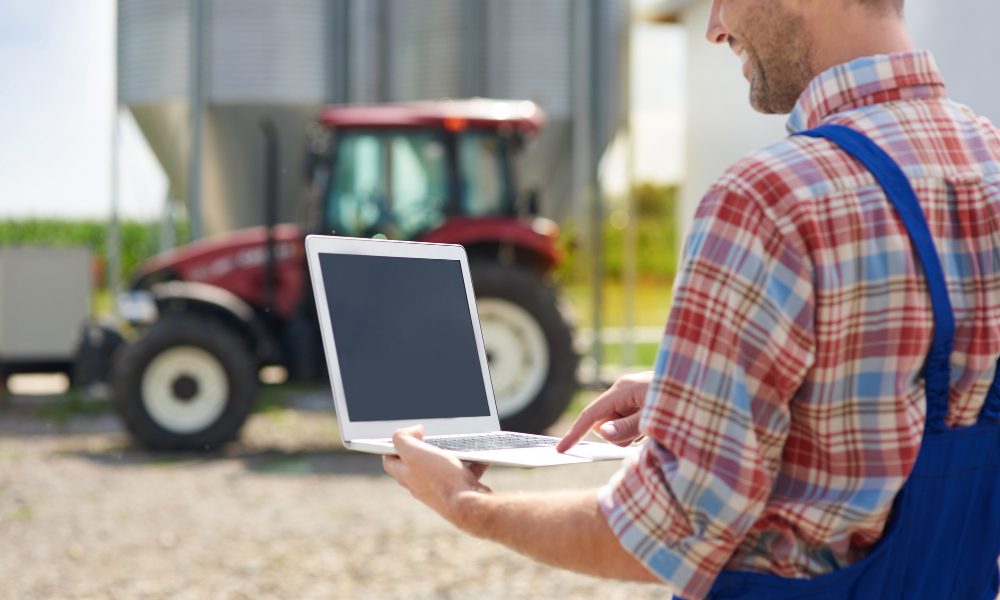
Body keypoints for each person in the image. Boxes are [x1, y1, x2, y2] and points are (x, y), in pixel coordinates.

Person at [382, 0, 1000, 598]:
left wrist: (467, 505)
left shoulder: (768, 201)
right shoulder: (989, 160)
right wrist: (708, 394)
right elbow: (918, 388)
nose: (713, 27)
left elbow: (666, 533)